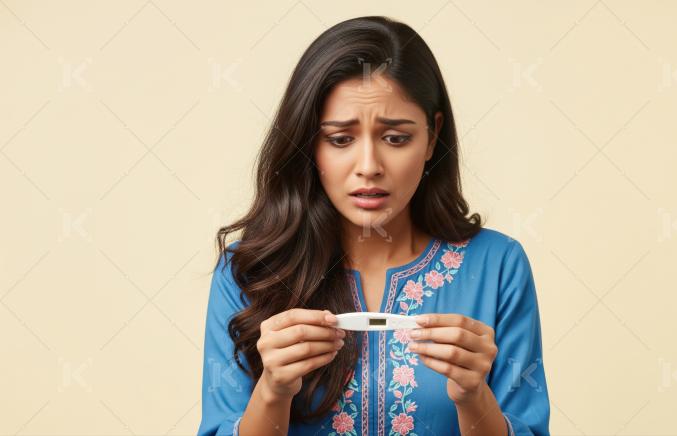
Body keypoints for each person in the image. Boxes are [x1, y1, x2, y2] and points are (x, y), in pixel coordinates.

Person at [198, 15, 550, 436]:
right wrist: (273, 392)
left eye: (396, 138)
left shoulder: (498, 266)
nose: (369, 167)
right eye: (340, 139)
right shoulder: (248, 271)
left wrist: (474, 397)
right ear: (309, 143)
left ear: (432, 136)